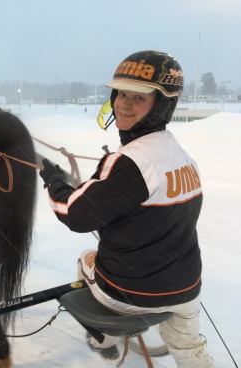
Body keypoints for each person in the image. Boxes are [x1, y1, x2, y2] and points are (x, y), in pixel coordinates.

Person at [40, 50, 216, 367]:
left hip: (132, 293)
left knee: (84, 258)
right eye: (121, 94)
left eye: (138, 98)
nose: (123, 104)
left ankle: (105, 338)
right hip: (188, 286)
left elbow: (75, 215)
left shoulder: (130, 162)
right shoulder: (182, 156)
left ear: (161, 105)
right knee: (191, 350)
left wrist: (54, 181)